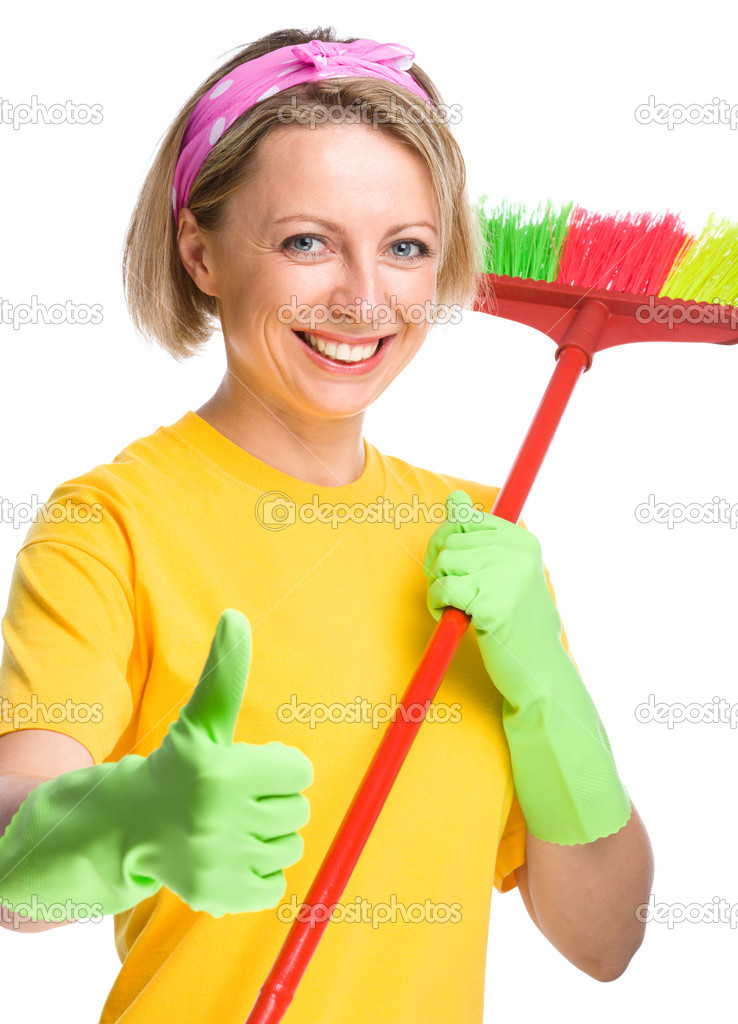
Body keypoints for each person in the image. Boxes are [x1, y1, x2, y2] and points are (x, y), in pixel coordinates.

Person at [0, 26, 653, 1024]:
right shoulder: (113, 523)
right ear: (199, 251)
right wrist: (131, 824)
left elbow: (606, 942)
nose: (362, 298)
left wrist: (548, 690)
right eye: (306, 241)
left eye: (406, 248)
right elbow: (17, 877)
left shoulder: (485, 541)